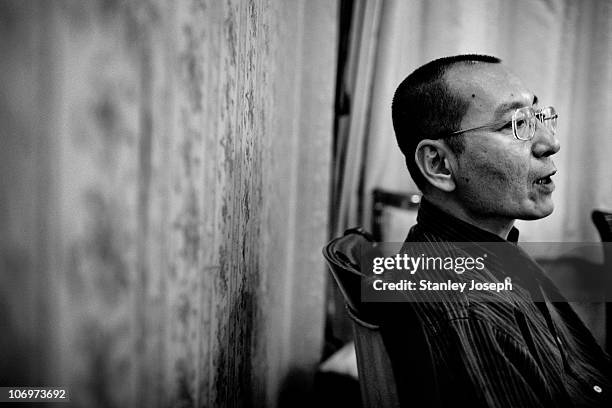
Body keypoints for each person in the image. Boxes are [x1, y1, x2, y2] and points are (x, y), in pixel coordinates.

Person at [386, 55, 611, 407]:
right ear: (439, 164)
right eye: (514, 125)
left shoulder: (492, 250)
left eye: (537, 117)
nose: (549, 143)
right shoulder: (470, 308)